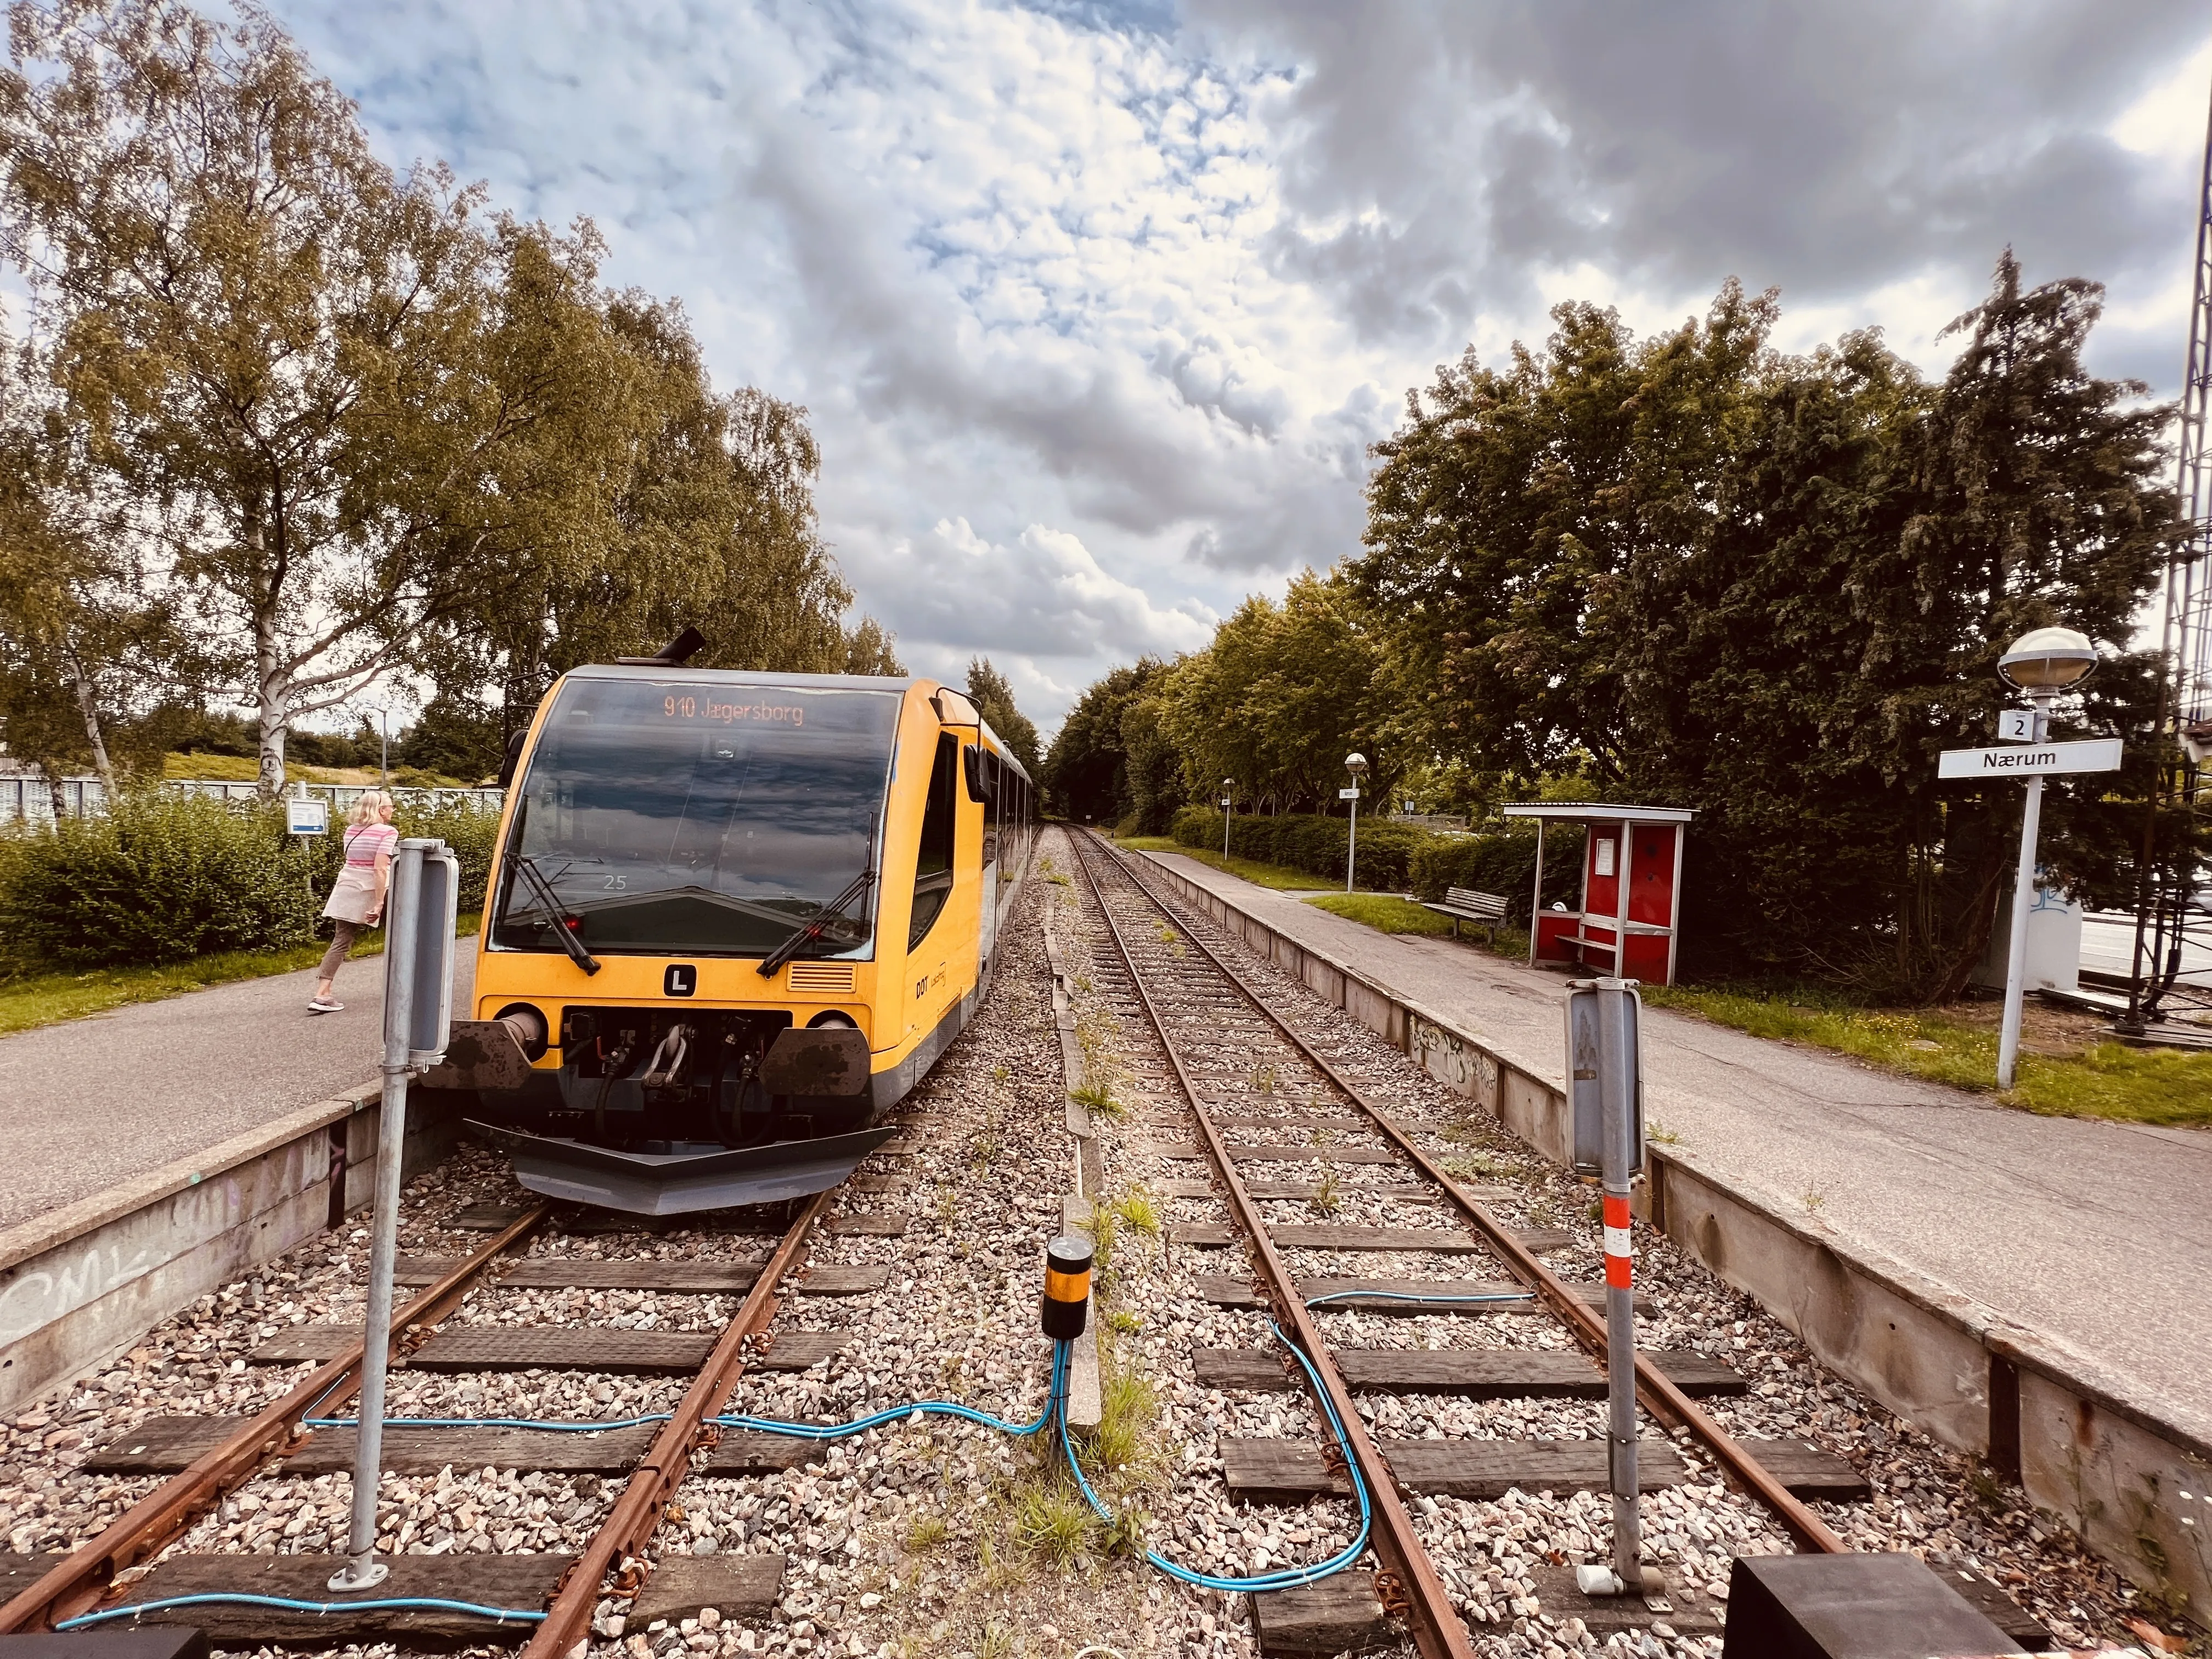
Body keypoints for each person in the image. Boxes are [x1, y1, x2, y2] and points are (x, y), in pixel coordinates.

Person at [311, 791, 397, 1014]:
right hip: (373, 890)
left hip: (347, 886)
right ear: (381, 810)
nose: (392, 810)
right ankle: (405, 987)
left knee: (341, 941)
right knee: (404, 934)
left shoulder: (351, 831)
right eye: (390, 806)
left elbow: (354, 861)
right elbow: (379, 868)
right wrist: (379, 903)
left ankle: (322, 993)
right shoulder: (388, 832)